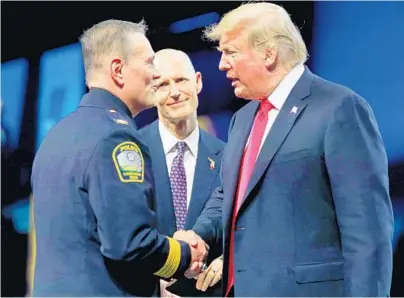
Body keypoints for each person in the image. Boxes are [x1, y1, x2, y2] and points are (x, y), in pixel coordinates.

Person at [191, 2, 394, 297]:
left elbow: (368, 231)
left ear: (269, 53)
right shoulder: (242, 119)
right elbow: (229, 193)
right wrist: (198, 235)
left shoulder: (339, 108)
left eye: (231, 52)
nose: (221, 64)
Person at [29, 19, 208, 297]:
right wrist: (184, 254)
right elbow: (130, 243)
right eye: (149, 63)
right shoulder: (117, 137)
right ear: (118, 69)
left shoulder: (56, 136)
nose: (155, 74)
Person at [139, 49, 225, 297]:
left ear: (197, 81)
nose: (174, 92)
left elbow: (239, 225)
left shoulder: (227, 155)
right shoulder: (133, 151)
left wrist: (226, 260)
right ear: (151, 93)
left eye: (181, 80)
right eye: (163, 84)